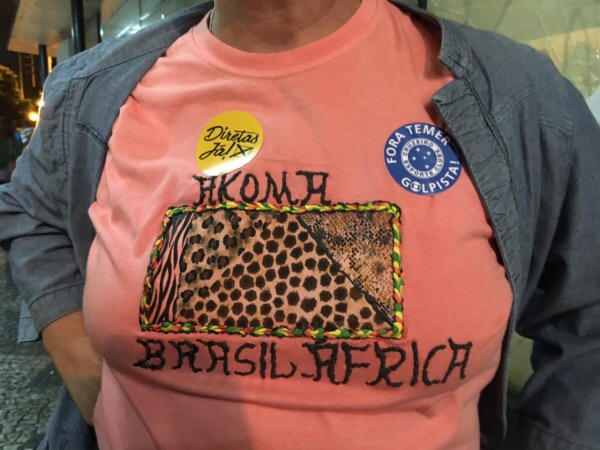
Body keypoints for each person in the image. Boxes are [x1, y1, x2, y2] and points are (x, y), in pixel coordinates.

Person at [0, 0, 599, 448]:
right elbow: (29, 209)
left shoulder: (518, 97)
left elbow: (588, 317)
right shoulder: (92, 94)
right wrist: (81, 363)